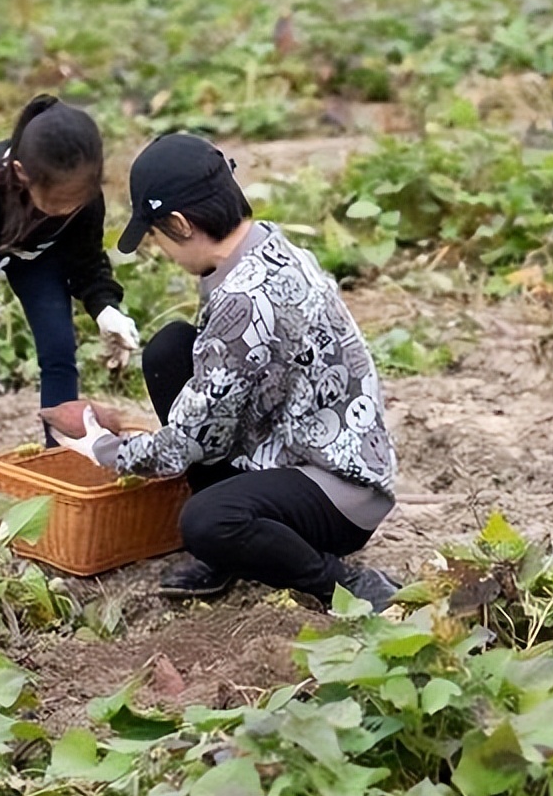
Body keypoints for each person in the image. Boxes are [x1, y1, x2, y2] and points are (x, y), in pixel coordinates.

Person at [53, 132, 400, 610]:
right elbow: (217, 399)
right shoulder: (261, 247)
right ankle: (235, 551)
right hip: (302, 440)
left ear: (179, 223)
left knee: (206, 521)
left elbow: (186, 444)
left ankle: (342, 585)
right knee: (170, 349)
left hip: (340, 490)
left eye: (155, 236)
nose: (162, 251)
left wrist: (103, 448)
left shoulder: (244, 298)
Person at [0, 95, 140, 483]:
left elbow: (86, 261)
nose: (68, 210)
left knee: (58, 348)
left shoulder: (84, 201)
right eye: (56, 203)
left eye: (76, 202)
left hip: (35, 257)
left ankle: (59, 461)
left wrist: (106, 308)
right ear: (21, 173)